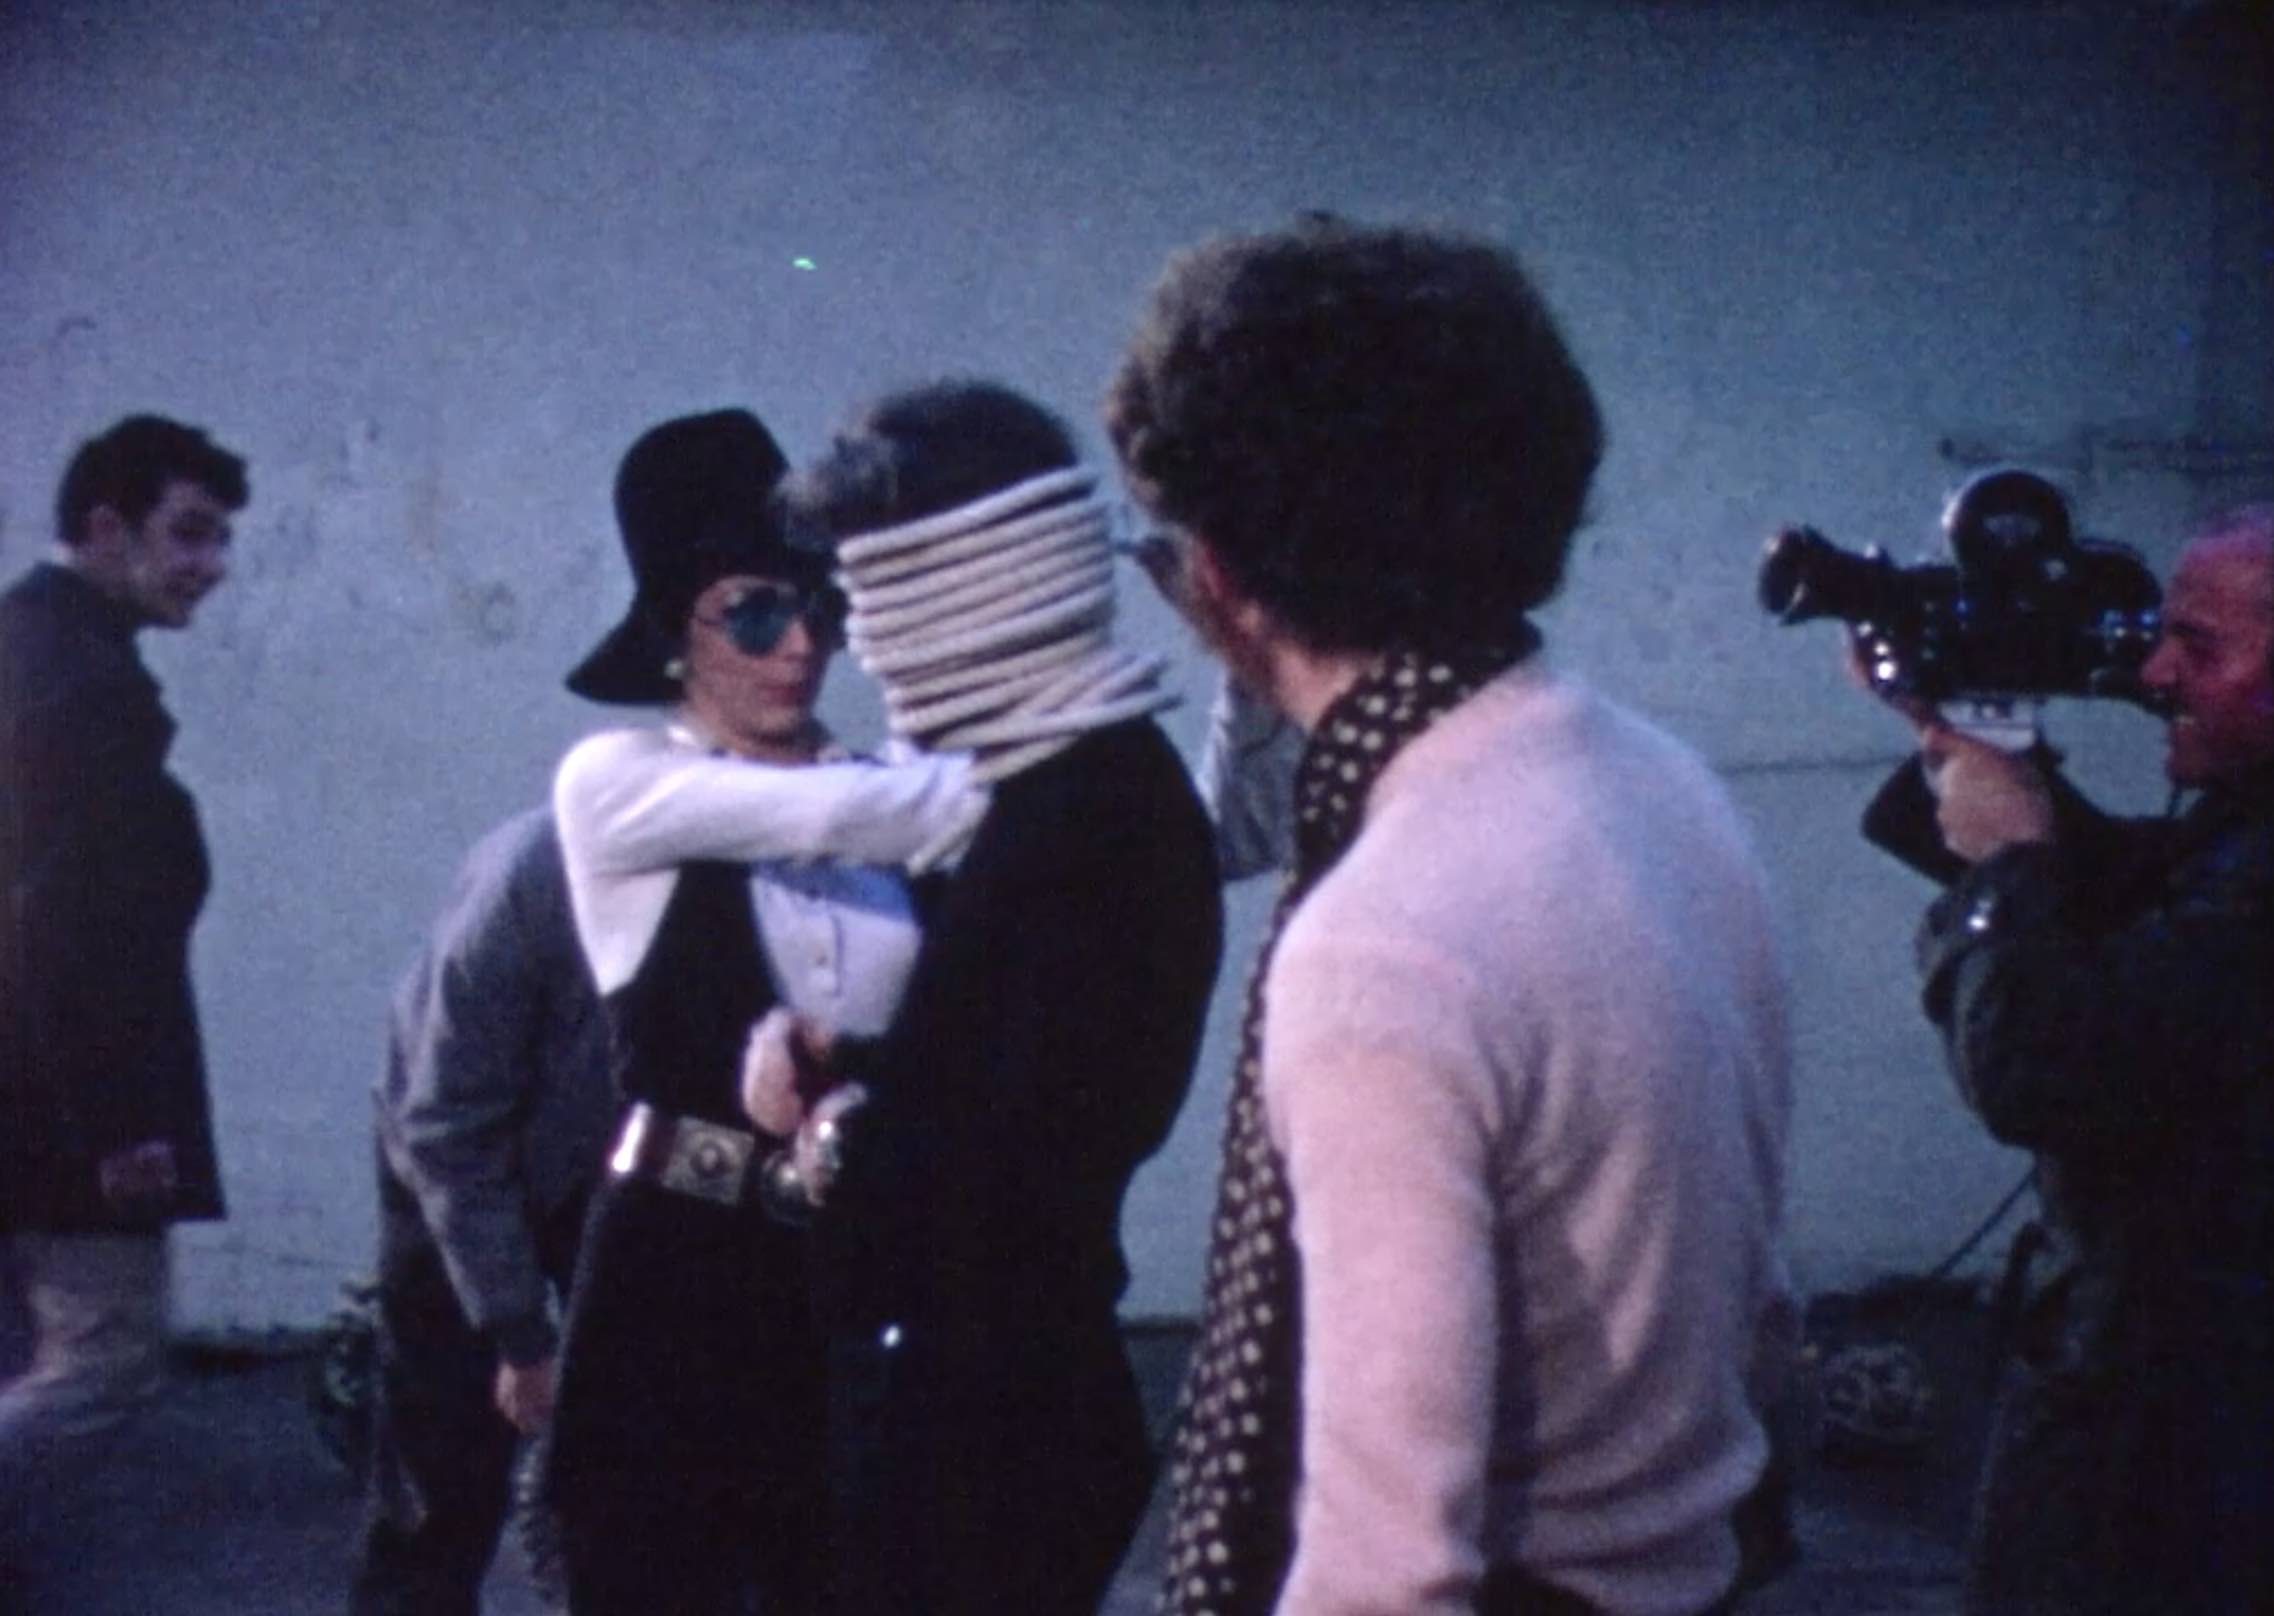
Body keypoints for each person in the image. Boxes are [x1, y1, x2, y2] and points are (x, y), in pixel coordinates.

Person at [1104, 216, 1793, 1616]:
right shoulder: (1664, 785)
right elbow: (1761, 1312)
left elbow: (1390, 1568)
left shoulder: (1383, 939)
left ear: (1219, 576)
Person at [748, 379, 1224, 1616]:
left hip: (991, 1447)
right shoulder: (1027, 796)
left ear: (957, 574)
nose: (859, 636)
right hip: (962, 1412)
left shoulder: (1090, 815)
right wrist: (848, 1062)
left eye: (874, 585)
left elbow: (1015, 1159)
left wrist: (836, 1135)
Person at [536, 408, 982, 1616]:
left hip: (847, 1270)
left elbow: (1140, 853)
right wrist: (1046, 764)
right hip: (674, 1271)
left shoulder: (891, 787)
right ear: (676, 634)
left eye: (820, 609)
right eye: (752, 612)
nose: (799, 646)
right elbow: (868, 817)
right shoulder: (622, 779)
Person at [1871, 504, 2274, 1615]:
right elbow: (2136, 893)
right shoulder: (2241, 834)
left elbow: (2039, 1068)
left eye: (2200, 646)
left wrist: (2006, 869)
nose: (2153, 673)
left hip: (2179, 1439)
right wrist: (1974, 745)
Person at [0, 415, 246, 1516]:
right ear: (107, 528)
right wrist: (118, 1124)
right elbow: (66, 927)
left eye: (220, 538)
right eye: (188, 532)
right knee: (104, 1363)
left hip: (30, 1081)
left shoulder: (28, 643)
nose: (212, 565)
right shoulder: (84, 688)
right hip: (60, 1100)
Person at [349, 806, 617, 1616]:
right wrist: (520, 1334)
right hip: (454, 1160)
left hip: (610, 1168)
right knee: (441, 1474)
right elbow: (447, 1127)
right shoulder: (531, 877)